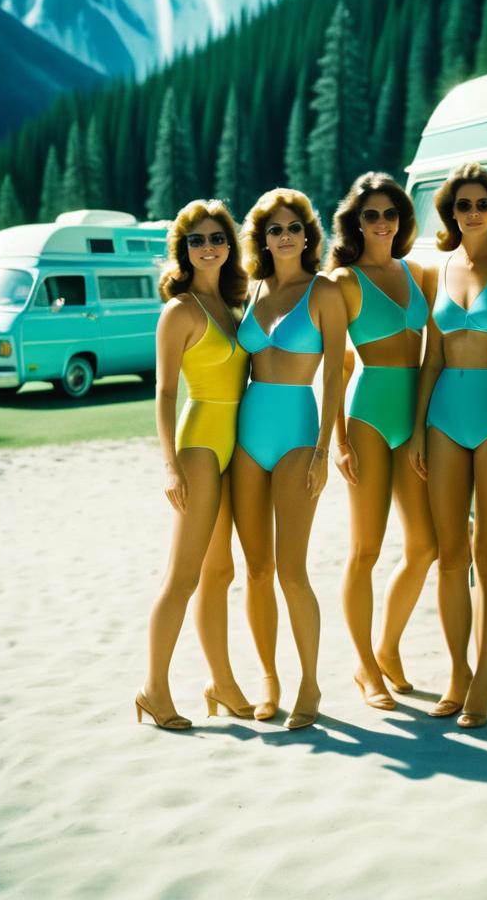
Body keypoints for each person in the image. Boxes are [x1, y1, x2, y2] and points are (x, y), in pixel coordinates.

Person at [408, 162, 487, 729]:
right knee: (450, 554)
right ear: (450, 213)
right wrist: (415, 430)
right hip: (441, 419)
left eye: (482, 203)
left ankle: (483, 678)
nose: (473, 212)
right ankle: (457, 673)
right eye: (463, 205)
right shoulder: (437, 271)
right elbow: (430, 357)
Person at [231, 188, 346, 730]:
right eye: (274, 229)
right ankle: (269, 680)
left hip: (300, 433)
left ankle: (309, 683)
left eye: (293, 227)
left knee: (292, 570)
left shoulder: (322, 292)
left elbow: (335, 373)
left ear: (307, 235)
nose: (284, 236)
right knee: (255, 570)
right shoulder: (251, 290)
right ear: (263, 237)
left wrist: (326, 448)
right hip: (247, 435)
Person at [138, 200, 253, 729]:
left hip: (237, 443)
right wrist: (169, 466)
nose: (208, 247)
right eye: (197, 240)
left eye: (216, 238)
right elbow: (163, 394)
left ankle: (221, 683)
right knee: (182, 575)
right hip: (200, 444)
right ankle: (153, 690)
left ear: (229, 245)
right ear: (184, 250)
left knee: (221, 570)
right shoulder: (179, 310)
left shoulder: (235, 303)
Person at [327, 173, 438, 710]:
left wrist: (420, 427)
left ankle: (388, 647)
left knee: (425, 546)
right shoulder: (344, 281)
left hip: (410, 416)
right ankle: (364, 667)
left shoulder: (416, 272)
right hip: (368, 414)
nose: (382, 223)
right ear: (356, 221)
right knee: (365, 549)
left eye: (390, 213)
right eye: (370, 215)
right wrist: (339, 440)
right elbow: (334, 366)